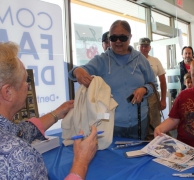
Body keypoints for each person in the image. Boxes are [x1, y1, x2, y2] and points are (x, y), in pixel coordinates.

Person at [0, 41, 98, 180]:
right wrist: (81, 163)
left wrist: (56, 114)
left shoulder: (7, 133)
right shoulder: (19, 157)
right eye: (24, 81)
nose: (28, 86)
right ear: (8, 92)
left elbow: (21, 131)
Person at [69, 20, 157, 140]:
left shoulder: (140, 59)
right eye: (113, 38)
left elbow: (153, 83)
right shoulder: (102, 60)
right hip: (111, 124)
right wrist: (77, 71)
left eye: (122, 37)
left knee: (137, 155)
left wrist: (144, 89)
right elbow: (75, 72)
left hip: (140, 122)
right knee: (112, 158)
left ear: (130, 37)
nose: (118, 41)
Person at [139, 37, 167, 110]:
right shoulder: (134, 61)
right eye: (142, 46)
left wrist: (163, 99)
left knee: (155, 120)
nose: (144, 48)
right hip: (139, 95)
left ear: (150, 48)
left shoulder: (155, 60)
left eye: (146, 46)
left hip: (153, 96)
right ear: (138, 47)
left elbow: (163, 81)